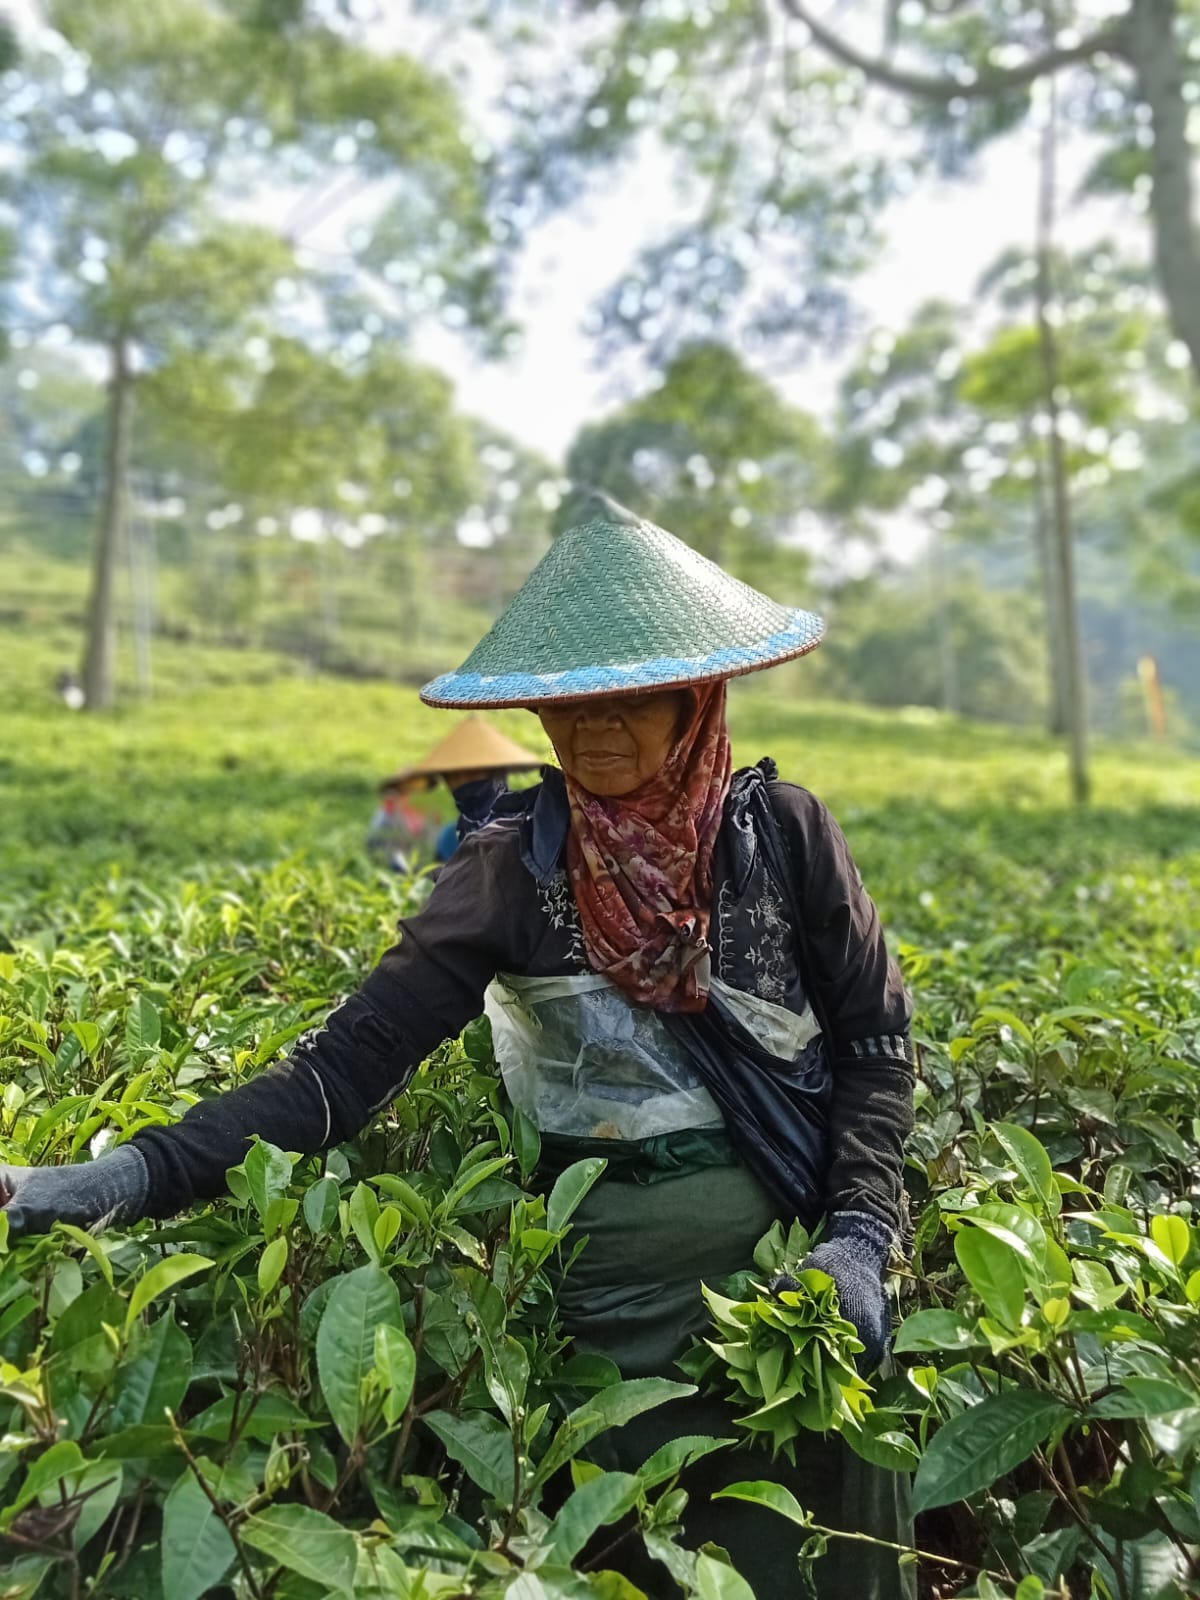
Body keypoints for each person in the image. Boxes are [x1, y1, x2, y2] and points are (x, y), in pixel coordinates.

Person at [1, 500, 916, 1597]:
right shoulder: (509, 870)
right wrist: (110, 1177)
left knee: (799, 1555)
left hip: (787, 1293)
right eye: (571, 704)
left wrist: (861, 1236)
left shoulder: (786, 838)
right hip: (602, 1319)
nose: (597, 732)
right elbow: (340, 1074)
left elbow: (873, 1037)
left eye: (634, 700)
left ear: (698, 699)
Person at [366, 715, 541, 873]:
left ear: (497, 772)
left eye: (474, 772)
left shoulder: (532, 826)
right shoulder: (450, 836)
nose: (462, 782)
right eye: (452, 776)